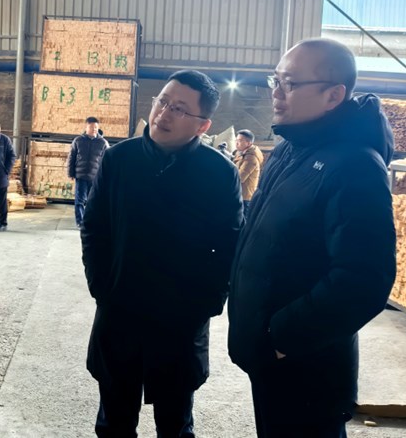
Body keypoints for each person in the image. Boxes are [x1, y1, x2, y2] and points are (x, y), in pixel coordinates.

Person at [228, 38, 396, 438]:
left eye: (289, 84)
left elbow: (364, 280)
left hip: (306, 367)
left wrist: (281, 337)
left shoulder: (356, 166)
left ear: (333, 95)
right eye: (275, 80)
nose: (276, 93)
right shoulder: (290, 149)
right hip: (270, 359)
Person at [82, 70, 244, 437]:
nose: (163, 113)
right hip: (120, 311)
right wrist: (101, 286)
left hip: (180, 321)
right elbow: (94, 227)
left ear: (203, 125)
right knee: (114, 422)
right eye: (163, 101)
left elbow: (230, 244)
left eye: (179, 109)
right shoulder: (119, 159)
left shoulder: (219, 173)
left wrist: (207, 303)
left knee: (175, 423)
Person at [67, 116, 110, 228]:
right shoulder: (78, 140)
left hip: (95, 177)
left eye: (95, 127)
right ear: (86, 127)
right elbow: (71, 157)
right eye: (91, 127)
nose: (93, 129)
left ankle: (91, 221)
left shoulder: (103, 143)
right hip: (80, 176)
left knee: (93, 201)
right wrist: (70, 173)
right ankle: (80, 222)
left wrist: (105, 177)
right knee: (79, 201)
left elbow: (107, 161)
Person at [233, 129, 264, 214]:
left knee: (243, 217)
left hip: (245, 195)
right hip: (240, 192)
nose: (236, 143)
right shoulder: (241, 152)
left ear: (249, 143)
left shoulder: (251, 158)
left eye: (240, 141)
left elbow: (240, 178)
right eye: (236, 140)